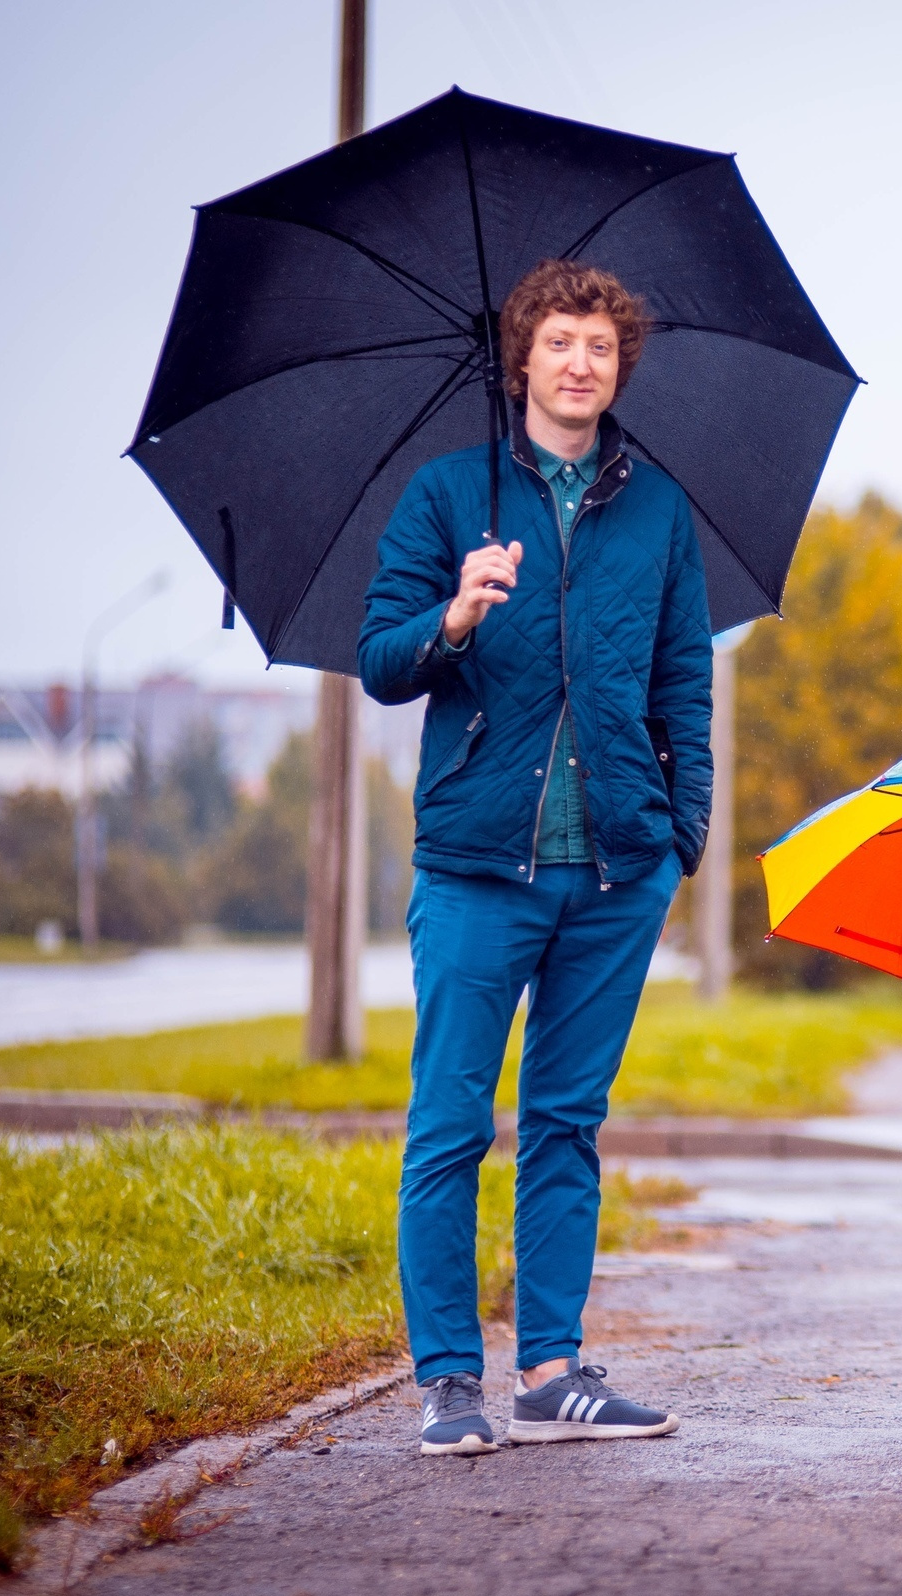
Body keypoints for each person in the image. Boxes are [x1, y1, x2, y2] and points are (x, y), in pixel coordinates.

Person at [359, 258, 711, 1456]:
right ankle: (450, 1378)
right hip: (473, 866)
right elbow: (381, 661)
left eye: (601, 348)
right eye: (560, 342)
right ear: (524, 358)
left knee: (566, 1119)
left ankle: (552, 1370)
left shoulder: (658, 509)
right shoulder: (450, 496)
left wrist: (681, 836)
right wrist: (454, 615)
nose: (579, 364)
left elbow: (682, 681)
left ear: (620, 366)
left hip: (615, 868)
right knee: (449, 1121)